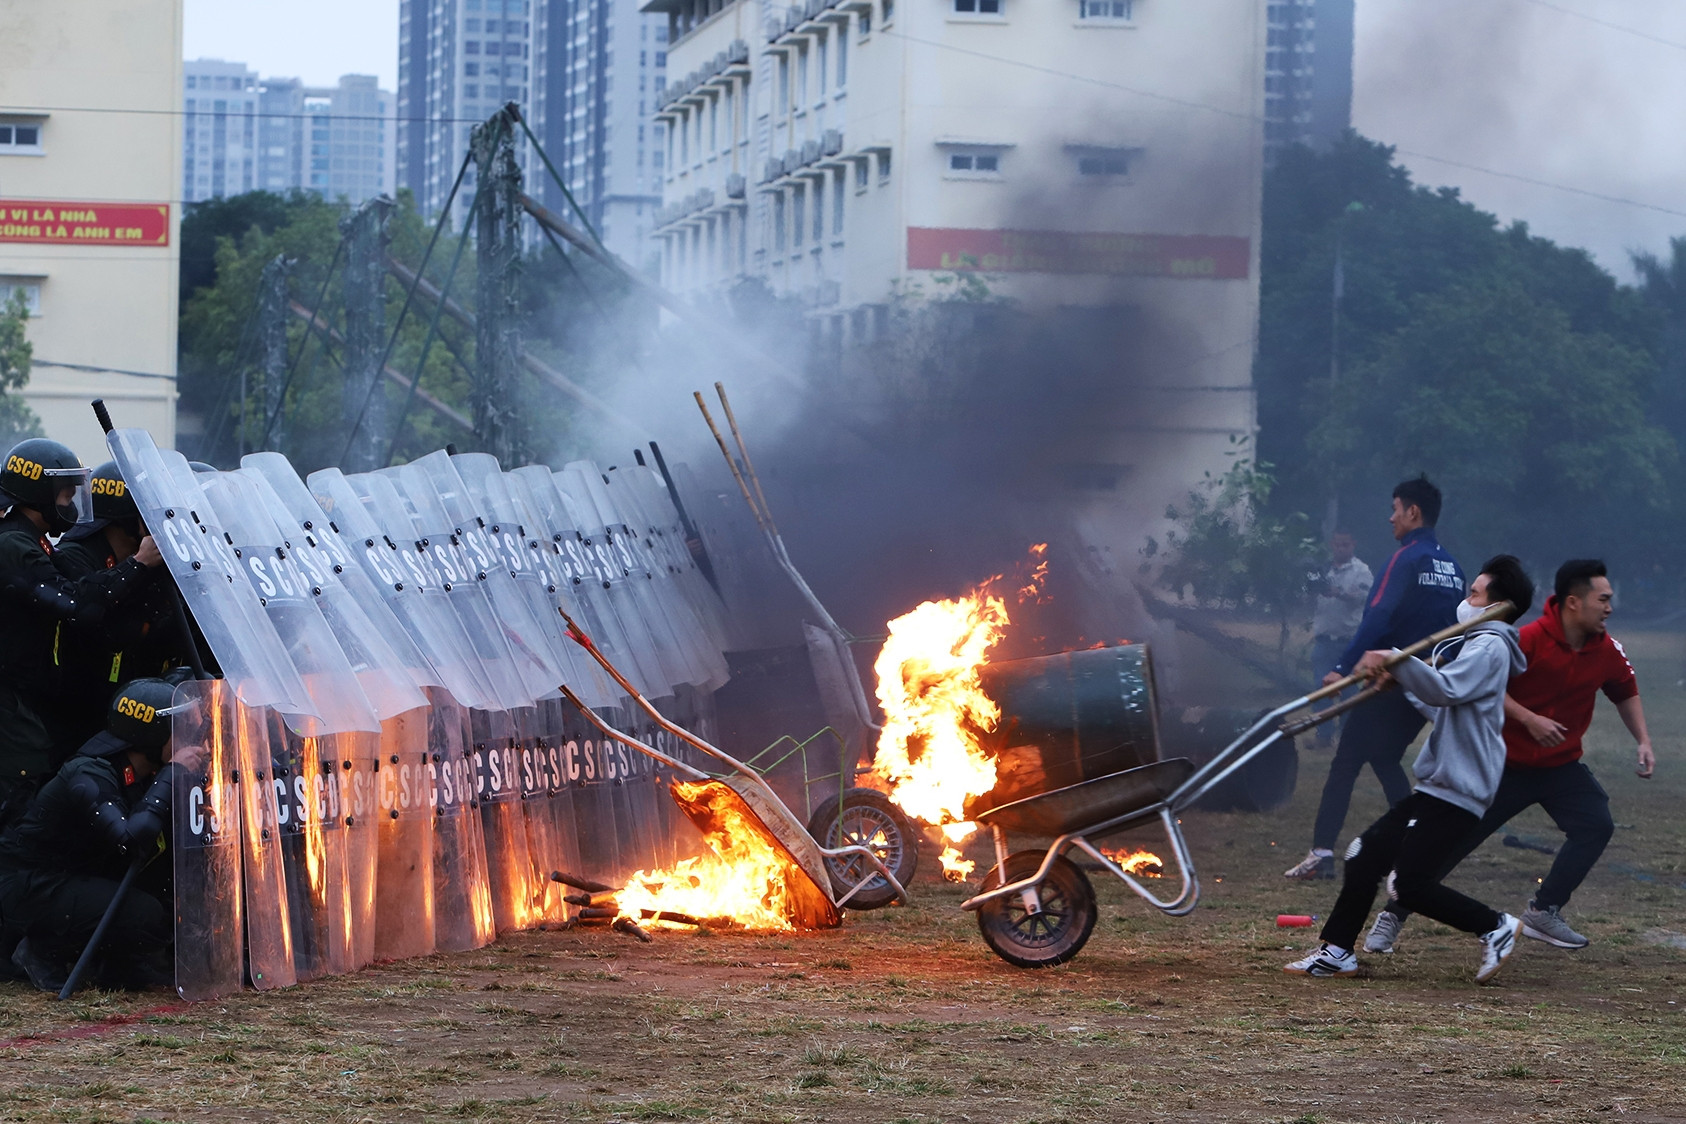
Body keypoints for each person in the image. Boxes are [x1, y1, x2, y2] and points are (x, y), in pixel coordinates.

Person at [1364, 559, 1651, 954]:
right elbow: (1486, 687)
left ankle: (1543, 910)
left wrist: (1643, 741)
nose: (1609, 608)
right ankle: (1393, 915)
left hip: (1559, 765)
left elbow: (1625, 690)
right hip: (1504, 764)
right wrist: (1528, 718)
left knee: (1596, 824)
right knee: (1450, 844)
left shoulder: (1606, 649)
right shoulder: (1527, 639)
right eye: (1602, 599)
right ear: (1574, 602)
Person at [1286, 556, 1533, 983]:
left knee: (1407, 885)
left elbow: (1447, 689)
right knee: (1363, 856)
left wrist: (1395, 658)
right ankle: (1337, 951)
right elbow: (1443, 705)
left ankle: (1495, 926)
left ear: (1497, 606)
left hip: (1460, 787)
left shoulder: (1491, 645)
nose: (1466, 599)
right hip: (1439, 784)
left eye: (1475, 593)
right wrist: (1398, 681)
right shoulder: (1478, 645)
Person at [1285, 477, 1464, 880]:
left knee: (1345, 761)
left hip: (1391, 680)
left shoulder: (1405, 558)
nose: (1391, 518)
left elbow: (1378, 615)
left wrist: (1344, 666)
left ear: (1412, 512)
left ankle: (1321, 854)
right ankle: (1413, 847)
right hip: (1427, 684)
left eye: (1396, 509)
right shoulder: (1453, 568)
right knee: (1384, 758)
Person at [0, 439, 165, 828]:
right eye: (64, 493)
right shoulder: (12, 545)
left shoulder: (30, 542)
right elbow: (76, 605)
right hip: (11, 698)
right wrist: (139, 564)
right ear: (38, 493)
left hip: (28, 695)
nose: (71, 504)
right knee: (21, 785)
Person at [0, 678, 188, 992]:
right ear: (153, 734)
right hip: (29, 885)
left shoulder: (138, 774)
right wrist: (172, 771)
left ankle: (120, 964)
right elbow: (131, 838)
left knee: (166, 902)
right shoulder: (88, 773)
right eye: (179, 731)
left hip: (72, 876)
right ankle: (43, 950)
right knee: (145, 916)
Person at [50, 461, 184, 749]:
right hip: (77, 707)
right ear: (127, 516)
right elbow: (93, 617)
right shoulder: (74, 555)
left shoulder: (160, 563)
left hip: (134, 702)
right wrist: (139, 566)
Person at [1308, 530, 1373, 748]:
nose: (1341, 549)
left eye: (1345, 545)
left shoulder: (1361, 571)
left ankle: (1347, 738)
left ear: (1353, 544)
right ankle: (1323, 736)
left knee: (1349, 692)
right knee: (1320, 689)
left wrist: (1339, 593)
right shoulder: (1323, 570)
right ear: (1331, 545)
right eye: (1337, 545)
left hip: (1348, 641)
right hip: (1324, 639)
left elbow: (1364, 597)